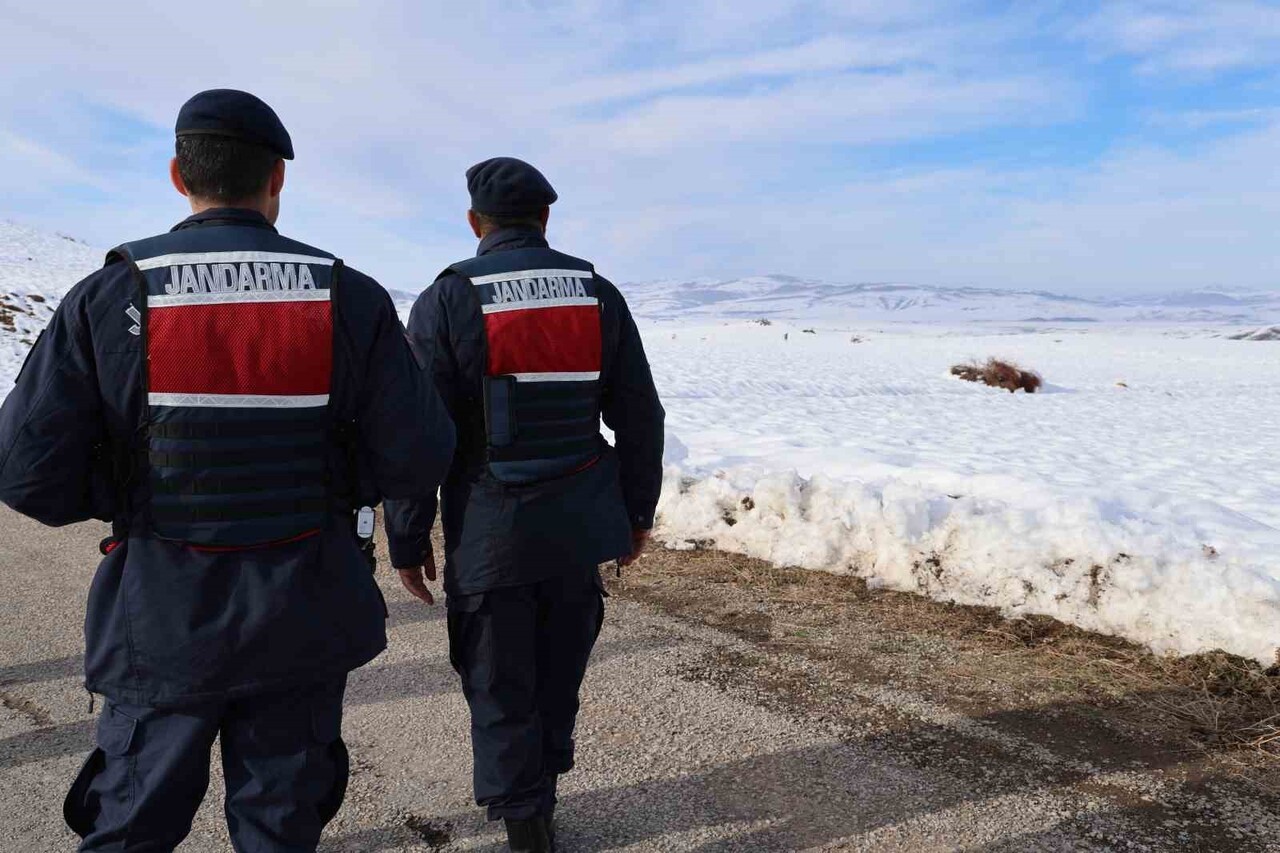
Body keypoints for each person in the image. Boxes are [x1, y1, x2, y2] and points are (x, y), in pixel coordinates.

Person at [0, 89, 455, 851]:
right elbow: (419, 453)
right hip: (304, 612)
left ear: (180, 175)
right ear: (277, 179)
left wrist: (131, 495)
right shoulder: (349, 294)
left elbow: (24, 471)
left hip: (161, 614)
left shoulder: (111, 293)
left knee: (130, 826)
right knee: (281, 828)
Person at [385, 157, 665, 851]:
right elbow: (639, 412)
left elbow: (422, 433)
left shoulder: (449, 297)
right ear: (545, 219)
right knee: (558, 666)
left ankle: (526, 820)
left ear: (476, 222)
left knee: (499, 678)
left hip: (492, 532)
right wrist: (637, 513)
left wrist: (408, 535)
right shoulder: (595, 292)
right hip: (577, 532)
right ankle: (538, 793)